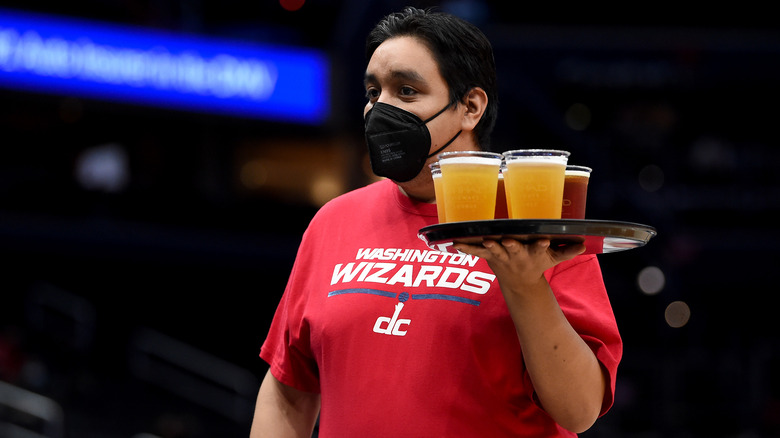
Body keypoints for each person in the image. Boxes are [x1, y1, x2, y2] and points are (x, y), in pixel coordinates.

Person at [249, 6, 622, 437]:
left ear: (470, 106)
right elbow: (288, 389)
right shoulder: (334, 220)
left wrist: (525, 286)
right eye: (373, 92)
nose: (379, 109)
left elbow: (579, 411)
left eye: (406, 91)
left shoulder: (537, 225)